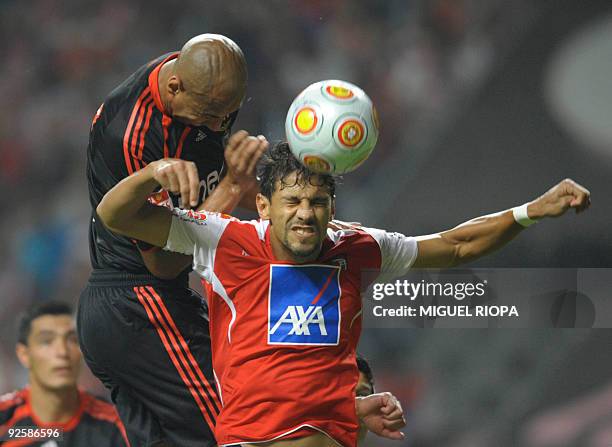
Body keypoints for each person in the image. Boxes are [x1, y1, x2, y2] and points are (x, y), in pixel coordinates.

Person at [94, 142, 590, 446]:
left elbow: (457, 245)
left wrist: (529, 212)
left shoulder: (357, 248)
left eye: (318, 201)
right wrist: (153, 173)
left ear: (332, 205)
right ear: (264, 206)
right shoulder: (224, 239)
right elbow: (116, 216)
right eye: (292, 201)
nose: (306, 213)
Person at [78, 33, 269, 447]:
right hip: (139, 304)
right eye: (210, 114)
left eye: (229, 114)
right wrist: (231, 189)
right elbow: (163, 262)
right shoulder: (132, 139)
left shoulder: (204, 83)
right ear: (175, 87)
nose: (219, 127)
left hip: (135, 310)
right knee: (243, 430)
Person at [0, 301, 129, 446]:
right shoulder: (5, 422)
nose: (62, 351)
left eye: (72, 340)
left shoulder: (116, 425)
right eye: (47, 341)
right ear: (24, 354)